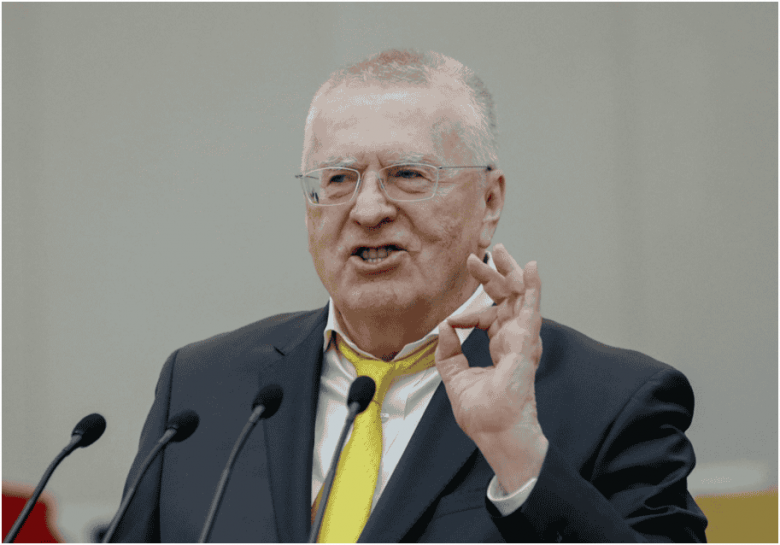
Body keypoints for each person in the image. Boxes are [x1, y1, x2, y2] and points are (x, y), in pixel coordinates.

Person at [111, 49, 707, 543]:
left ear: (490, 202)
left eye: (408, 175)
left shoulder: (614, 403)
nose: (369, 210)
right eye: (338, 180)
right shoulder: (203, 391)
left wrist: (518, 455)